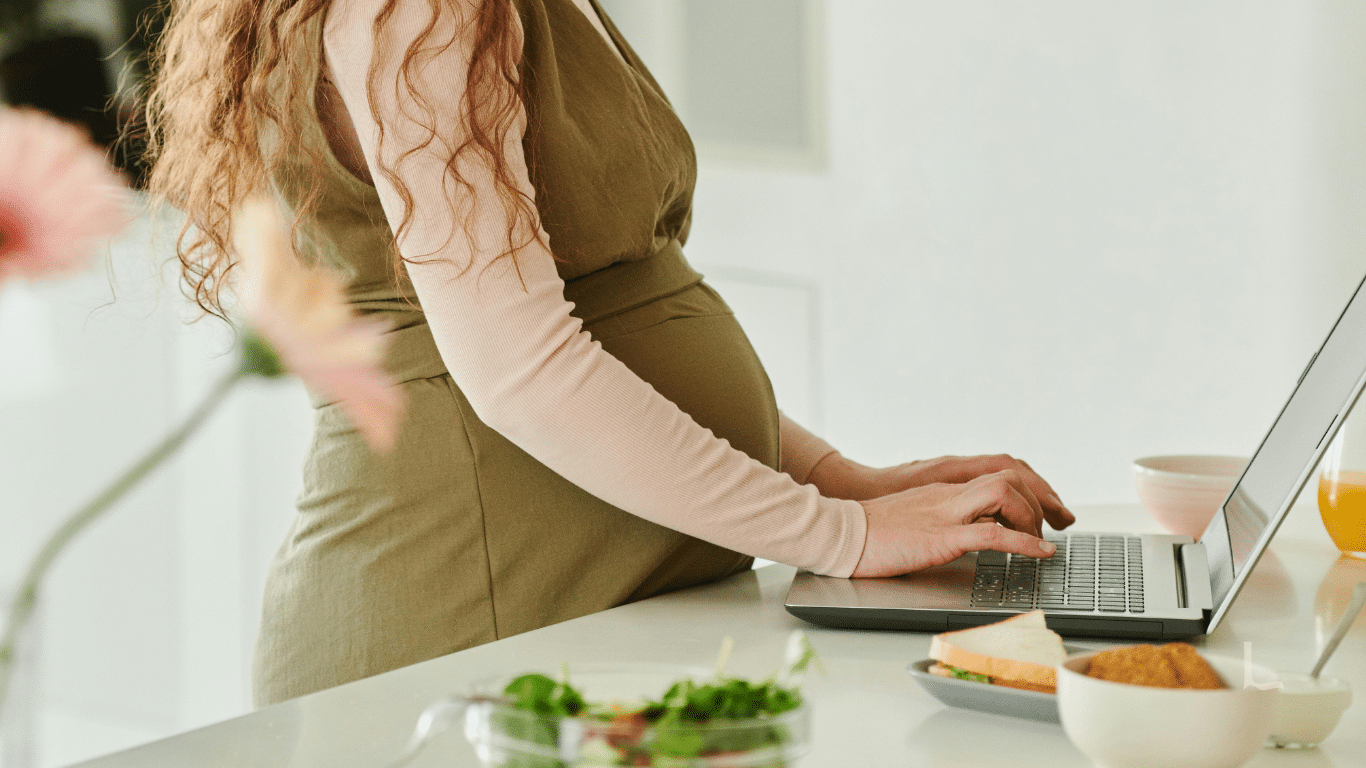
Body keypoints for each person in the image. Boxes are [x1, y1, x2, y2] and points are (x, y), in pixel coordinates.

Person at [145, 0, 1073, 706]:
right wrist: (844, 536)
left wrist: (838, 483)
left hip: (572, 616)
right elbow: (520, 367)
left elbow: (616, 318)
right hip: (466, 624)